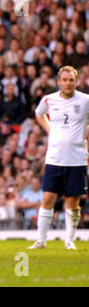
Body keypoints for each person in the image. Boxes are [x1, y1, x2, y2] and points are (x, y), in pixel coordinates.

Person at [29, 66, 89, 250]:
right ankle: (41, 240)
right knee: (47, 198)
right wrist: (49, 130)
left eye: (71, 80)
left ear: (76, 82)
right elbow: (39, 114)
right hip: (54, 158)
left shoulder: (86, 100)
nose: (68, 83)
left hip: (77, 159)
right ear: (58, 82)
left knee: (73, 201)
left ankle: (69, 240)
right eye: (65, 80)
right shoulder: (49, 100)